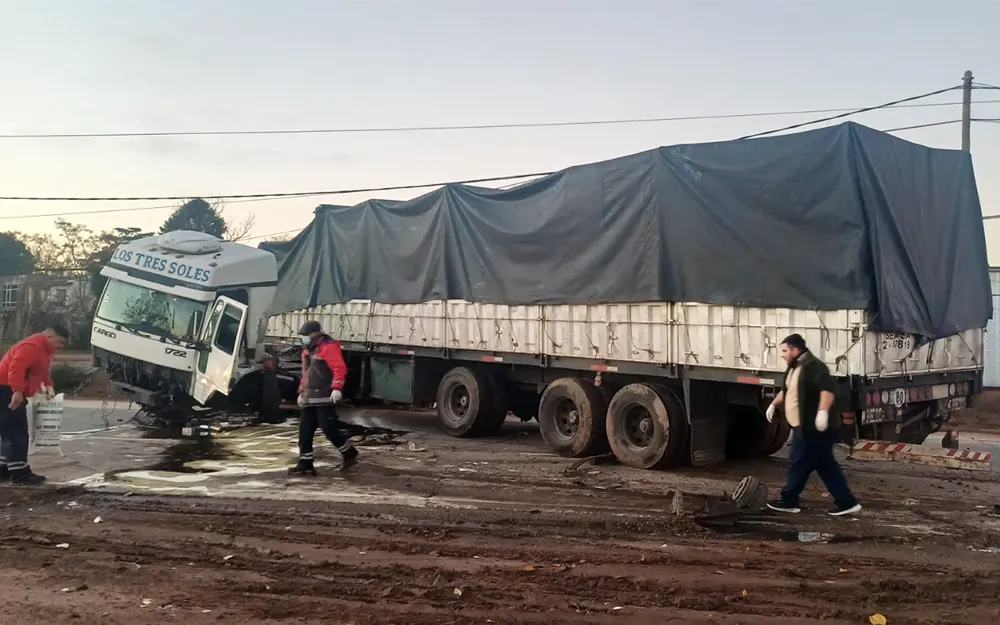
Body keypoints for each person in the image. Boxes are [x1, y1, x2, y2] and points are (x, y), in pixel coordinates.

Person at [765, 334, 862, 517]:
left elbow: (828, 390)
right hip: (804, 427)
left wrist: (822, 412)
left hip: (814, 428)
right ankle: (847, 502)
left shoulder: (814, 367)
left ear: (795, 349)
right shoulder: (794, 368)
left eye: (785, 351)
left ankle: (789, 501)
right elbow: (788, 391)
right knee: (825, 465)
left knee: (799, 463)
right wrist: (773, 405)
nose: (783, 355)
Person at [0, 325, 69, 485]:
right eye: (59, 342)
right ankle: (20, 473)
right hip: (6, 390)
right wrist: (17, 391)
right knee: (17, 431)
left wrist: (49, 388)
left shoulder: (44, 350)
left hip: (8, 388)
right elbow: (16, 367)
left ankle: (3, 468)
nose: (60, 347)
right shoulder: (32, 346)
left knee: (8, 431)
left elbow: (42, 371)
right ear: (50, 336)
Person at [288, 320, 359, 476]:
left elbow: (339, 368)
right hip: (309, 396)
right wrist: (301, 391)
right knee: (305, 429)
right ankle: (305, 463)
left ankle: (349, 452)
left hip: (324, 395)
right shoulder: (307, 350)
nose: (305, 338)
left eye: (306, 335)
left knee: (328, 428)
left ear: (316, 333)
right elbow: (305, 373)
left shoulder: (328, 347)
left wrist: (337, 388)